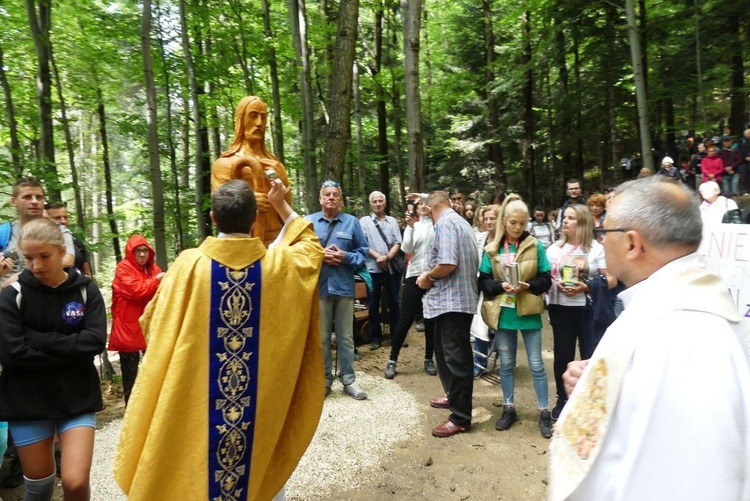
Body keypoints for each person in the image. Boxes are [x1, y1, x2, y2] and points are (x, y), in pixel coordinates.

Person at [114, 179, 325, 500]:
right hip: (257, 410)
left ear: (213, 218)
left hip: (198, 403)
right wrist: (281, 203)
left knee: (194, 471)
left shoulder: (188, 266)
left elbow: (152, 323)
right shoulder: (279, 267)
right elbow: (311, 245)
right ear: (255, 218)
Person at [549, 176, 750, 501]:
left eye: (604, 231)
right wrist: (602, 382)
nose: (599, 239)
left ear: (632, 243)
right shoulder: (666, 305)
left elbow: (699, 477)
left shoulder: (686, 335)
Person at [0, 218, 106, 501]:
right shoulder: (13, 295)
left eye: (44, 256)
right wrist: (71, 350)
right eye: (29, 258)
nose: (36, 265)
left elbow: (94, 342)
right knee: (39, 487)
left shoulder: (85, 291)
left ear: (61, 251)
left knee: (73, 481)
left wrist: (36, 339)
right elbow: (12, 354)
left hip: (76, 397)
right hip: (26, 401)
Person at [478, 195, 552, 438]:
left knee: (537, 364)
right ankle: (509, 407)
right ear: (504, 222)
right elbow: (484, 282)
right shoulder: (493, 248)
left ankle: (544, 411)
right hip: (504, 314)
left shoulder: (535, 245)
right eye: (513, 223)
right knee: (507, 365)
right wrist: (502, 287)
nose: (518, 228)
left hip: (529, 311)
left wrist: (527, 286)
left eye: (522, 222)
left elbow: (546, 279)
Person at [413, 190, 479, 438]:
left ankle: (461, 417)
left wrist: (427, 276)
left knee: (456, 359)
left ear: (430, 209)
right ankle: (454, 397)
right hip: (450, 301)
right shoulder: (459, 221)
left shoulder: (446, 224)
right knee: (446, 354)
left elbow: (448, 263)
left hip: (453, 302)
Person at [307, 181, 369, 399]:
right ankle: (324, 381)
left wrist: (345, 257)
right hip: (319, 288)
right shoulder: (308, 223)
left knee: (346, 337)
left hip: (344, 287)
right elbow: (299, 253)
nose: (331, 197)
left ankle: (349, 380)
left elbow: (362, 253)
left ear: (340, 199)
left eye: (335, 195)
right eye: (327, 194)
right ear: (320, 199)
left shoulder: (352, 222)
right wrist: (319, 255)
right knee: (322, 338)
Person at [545, 204, 607, 421]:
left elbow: (611, 279)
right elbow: (546, 277)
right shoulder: (553, 250)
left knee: (589, 355)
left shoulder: (597, 250)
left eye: (571, 218)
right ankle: (562, 400)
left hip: (587, 309)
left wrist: (586, 286)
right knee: (562, 355)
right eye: (565, 217)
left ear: (582, 223)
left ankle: (590, 400)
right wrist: (557, 284)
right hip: (561, 308)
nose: (565, 221)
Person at [211, 96, 292, 247]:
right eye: (253, 116)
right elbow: (221, 209)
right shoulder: (224, 164)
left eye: (263, 117)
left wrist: (282, 183)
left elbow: (287, 211)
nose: (259, 123)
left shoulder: (275, 165)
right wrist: (248, 201)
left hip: (274, 241)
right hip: (238, 245)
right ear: (241, 119)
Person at [384, 197, 437, 378]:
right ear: (415, 209)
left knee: (431, 321)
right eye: (419, 204)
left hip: (434, 276)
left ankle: (429, 358)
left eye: (426, 203)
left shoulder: (438, 224)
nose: (423, 206)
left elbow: (437, 198)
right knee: (405, 319)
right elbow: (407, 249)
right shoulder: (414, 225)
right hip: (414, 275)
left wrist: (421, 195)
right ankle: (392, 360)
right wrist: (410, 227)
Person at [108, 234, 165, 404]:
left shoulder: (154, 269)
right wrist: (156, 281)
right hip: (128, 328)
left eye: (144, 251)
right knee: (130, 377)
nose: (141, 254)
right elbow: (135, 290)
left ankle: (155, 407)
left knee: (155, 371)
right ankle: (130, 412)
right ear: (130, 253)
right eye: (138, 251)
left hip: (149, 327)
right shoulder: (123, 268)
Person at [1, 178, 76, 287]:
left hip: (47, 295)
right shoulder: (4, 233)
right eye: (27, 197)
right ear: (13, 201)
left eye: (39, 197)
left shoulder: (59, 231)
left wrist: (22, 276)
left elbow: (68, 260)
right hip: (7, 299)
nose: (34, 201)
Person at [360, 191, 402, 350]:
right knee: (373, 303)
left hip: (391, 268)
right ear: (371, 204)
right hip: (372, 268)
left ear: (384, 203)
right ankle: (375, 337)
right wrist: (378, 257)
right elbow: (363, 244)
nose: (377, 204)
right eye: (374, 201)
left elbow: (398, 242)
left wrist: (388, 257)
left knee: (394, 302)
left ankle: (396, 336)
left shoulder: (392, 221)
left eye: (380, 201)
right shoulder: (364, 221)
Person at [472, 205, 500, 377]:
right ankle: (479, 363)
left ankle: (506, 360)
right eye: (486, 218)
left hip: (502, 289)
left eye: (492, 218)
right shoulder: (480, 238)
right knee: (480, 326)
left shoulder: (505, 239)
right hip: (483, 287)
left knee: (502, 328)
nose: (489, 222)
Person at [45, 203, 92, 277]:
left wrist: (87, 279)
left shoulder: (76, 242)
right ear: (46, 220)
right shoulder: (42, 243)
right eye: (57, 218)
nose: (63, 221)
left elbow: (86, 270)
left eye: (65, 217)